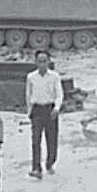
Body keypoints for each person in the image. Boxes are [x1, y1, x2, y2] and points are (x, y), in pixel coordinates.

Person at [26, 50, 64, 179]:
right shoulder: (31, 77)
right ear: (36, 62)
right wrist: (29, 111)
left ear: (49, 62)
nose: (42, 64)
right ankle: (36, 168)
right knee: (35, 140)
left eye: (44, 61)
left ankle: (50, 162)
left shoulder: (54, 76)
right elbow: (28, 94)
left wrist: (57, 108)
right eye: (39, 61)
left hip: (50, 109)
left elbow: (59, 94)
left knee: (51, 139)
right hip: (37, 109)